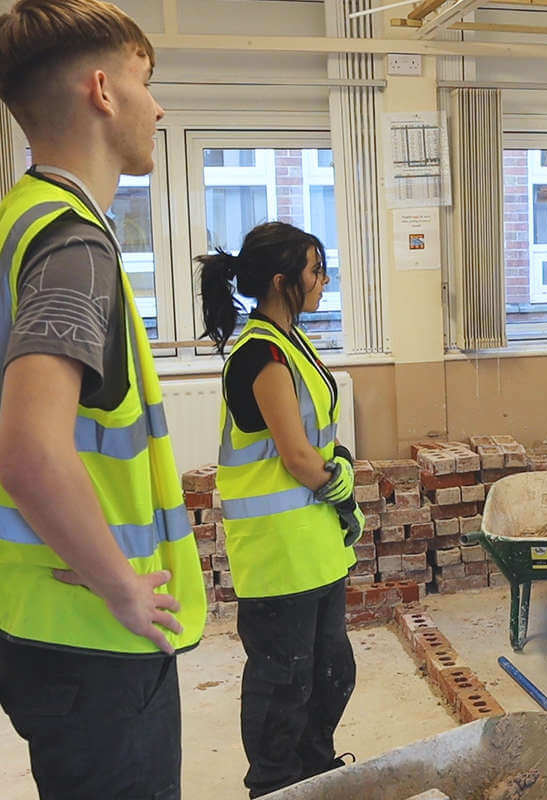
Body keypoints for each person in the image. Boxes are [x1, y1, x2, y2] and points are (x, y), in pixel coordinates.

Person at [0, 1, 207, 797]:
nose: (158, 106)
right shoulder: (73, 244)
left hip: (34, 619)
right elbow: (28, 451)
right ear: (102, 90)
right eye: (146, 82)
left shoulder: (19, 221)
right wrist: (121, 584)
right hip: (95, 639)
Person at [198, 221, 362, 798]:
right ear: (280, 280)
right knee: (282, 683)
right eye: (315, 271)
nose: (322, 282)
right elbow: (294, 455)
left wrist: (335, 470)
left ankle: (315, 772)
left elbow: (311, 436)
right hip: (278, 553)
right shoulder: (261, 353)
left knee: (331, 672)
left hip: (314, 546)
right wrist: (337, 483)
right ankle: (272, 785)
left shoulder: (290, 340)